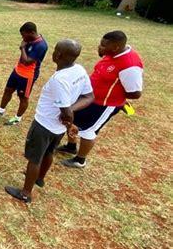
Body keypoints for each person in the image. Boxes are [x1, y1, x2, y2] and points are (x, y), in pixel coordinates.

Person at [5, 39, 94, 203]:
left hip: (44, 124)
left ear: (58, 55)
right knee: (49, 152)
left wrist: (69, 121)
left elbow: (66, 111)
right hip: (57, 128)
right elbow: (89, 96)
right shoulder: (79, 70)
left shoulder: (59, 80)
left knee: (34, 158)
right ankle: (39, 178)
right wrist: (69, 119)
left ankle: (26, 192)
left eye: (54, 50)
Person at [57, 31, 144, 168]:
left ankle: (80, 160)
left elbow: (135, 93)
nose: (100, 47)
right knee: (72, 119)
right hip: (89, 98)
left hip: (104, 104)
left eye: (103, 45)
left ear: (115, 47)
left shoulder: (130, 65)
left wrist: (115, 97)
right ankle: (71, 146)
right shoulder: (112, 54)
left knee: (88, 131)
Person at [0, 22, 48, 126]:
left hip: (28, 75)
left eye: (24, 35)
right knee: (8, 90)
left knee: (23, 97)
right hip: (17, 70)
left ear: (32, 33)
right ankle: (0, 110)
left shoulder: (41, 45)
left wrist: (22, 48)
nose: (22, 38)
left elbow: (27, 61)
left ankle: (17, 118)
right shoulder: (29, 39)